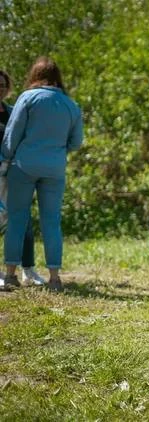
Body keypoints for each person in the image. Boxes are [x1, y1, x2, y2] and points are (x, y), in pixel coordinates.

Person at [1, 57, 83, 293]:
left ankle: (10, 275)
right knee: (51, 221)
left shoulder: (28, 98)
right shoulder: (70, 104)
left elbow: (12, 135)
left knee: (17, 218)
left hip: (24, 166)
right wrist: (56, 150)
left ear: (34, 75)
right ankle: (55, 278)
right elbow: (76, 142)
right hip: (55, 168)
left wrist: (6, 156)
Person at [0, 70, 48, 290]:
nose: (0, 88)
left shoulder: (13, 112)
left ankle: (28, 269)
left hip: (16, 174)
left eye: (2, 84)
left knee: (24, 221)